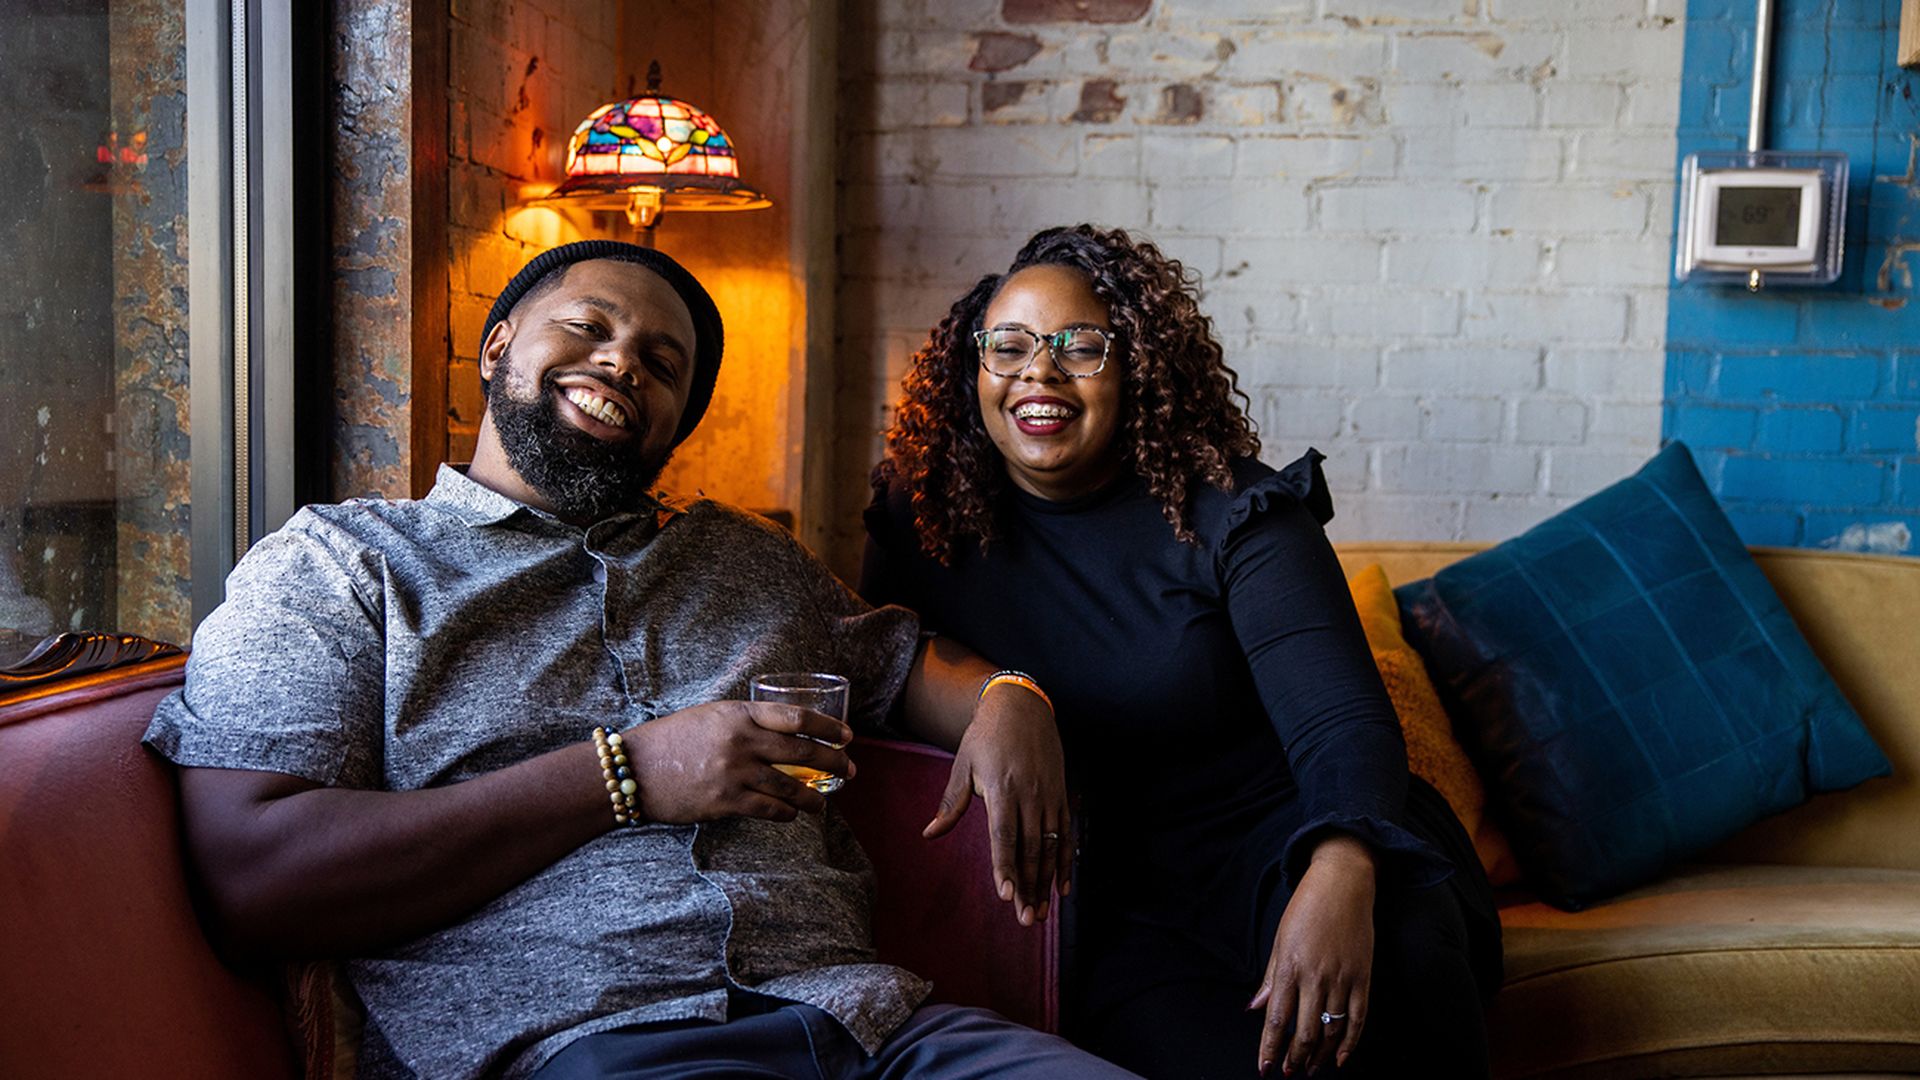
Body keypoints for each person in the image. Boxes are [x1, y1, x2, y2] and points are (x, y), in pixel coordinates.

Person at [145, 240, 1132, 1080]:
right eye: (588, 329)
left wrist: (1010, 697)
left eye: (664, 364)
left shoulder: (747, 559)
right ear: (497, 347)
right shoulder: (342, 565)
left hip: (863, 1025)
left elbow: (904, 660)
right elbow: (255, 880)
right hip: (577, 1042)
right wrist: (629, 775)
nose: (625, 364)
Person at [861, 226, 1503, 1079]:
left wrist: (1342, 872)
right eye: (1007, 346)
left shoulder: (1235, 512)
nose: (1038, 373)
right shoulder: (922, 516)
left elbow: (1344, 726)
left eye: (1079, 347)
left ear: (1136, 366)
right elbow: (885, 665)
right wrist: (1000, 695)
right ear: (971, 368)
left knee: (1396, 976)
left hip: (1298, 835)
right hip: (1112, 898)